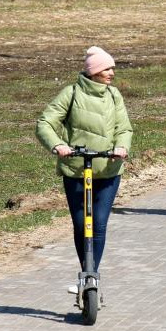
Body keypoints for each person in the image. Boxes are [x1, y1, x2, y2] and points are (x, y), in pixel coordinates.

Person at [36, 46, 133, 295]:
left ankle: (92, 276)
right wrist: (58, 145)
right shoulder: (71, 93)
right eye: (106, 68)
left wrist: (121, 146)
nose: (111, 73)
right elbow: (46, 122)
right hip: (77, 170)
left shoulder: (114, 96)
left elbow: (124, 128)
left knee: (98, 224)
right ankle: (85, 273)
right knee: (82, 226)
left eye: (111, 68)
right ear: (94, 72)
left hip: (109, 169)